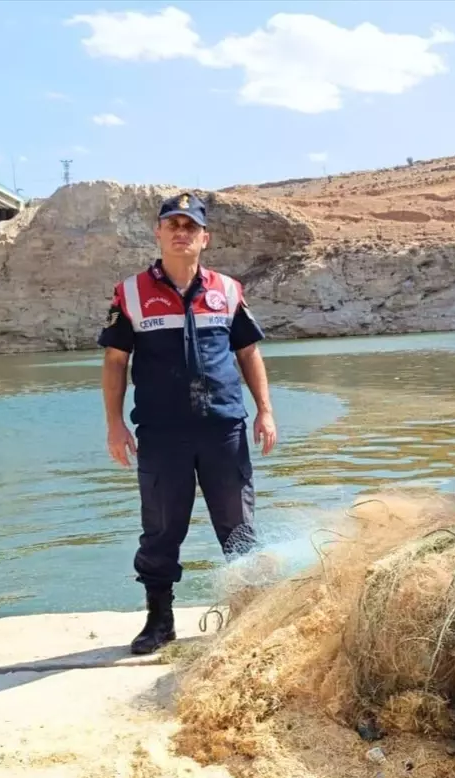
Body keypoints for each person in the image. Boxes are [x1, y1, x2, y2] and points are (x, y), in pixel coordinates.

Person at [98, 191, 277, 655]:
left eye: (190, 227)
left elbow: (247, 352)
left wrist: (266, 410)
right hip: (161, 435)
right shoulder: (131, 293)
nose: (181, 233)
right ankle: (159, 621)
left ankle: (249, 616)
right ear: (158, 233)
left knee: (239, 526)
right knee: (160, 530)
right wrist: (115, 425)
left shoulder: (228, 290)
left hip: (224, 430)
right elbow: (116, 361)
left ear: (204, 238)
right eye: (172, 225)